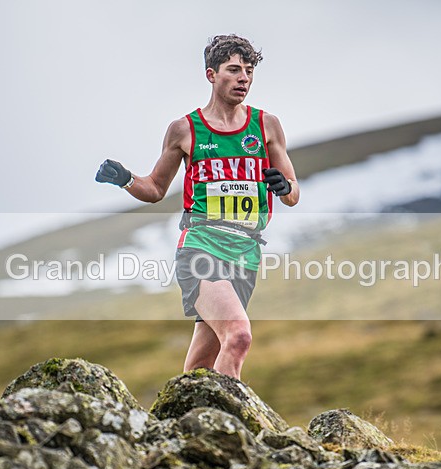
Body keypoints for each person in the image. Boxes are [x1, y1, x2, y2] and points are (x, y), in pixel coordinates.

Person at [95, 35, 299, 381]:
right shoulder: (185, 130)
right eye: (234, 70)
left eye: (248, 71)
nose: (243, 79)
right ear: (211, 74)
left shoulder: (266, 125)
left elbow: (293, 193)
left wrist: (283, 186)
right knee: (238, 336)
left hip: (246, 253)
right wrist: (125, 178)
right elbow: (156, 188)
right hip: (201, 247)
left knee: (199, 368)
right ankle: (230, 428)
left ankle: (174, 424)